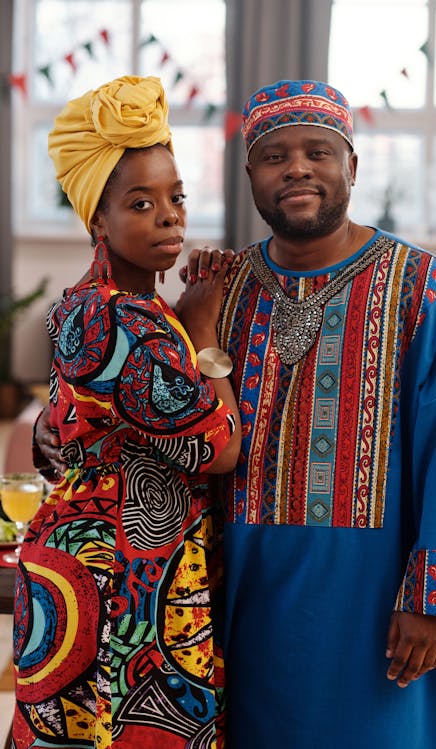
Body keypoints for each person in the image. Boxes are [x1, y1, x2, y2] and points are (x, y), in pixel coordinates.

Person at [36, 79, 436, 748]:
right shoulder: (220, 289)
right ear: (250, 175)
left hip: (372, 602)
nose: (297, 168)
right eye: (275, 156)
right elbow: (148, 407)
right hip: (234, 598)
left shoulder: (421, 286)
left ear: (352, 168)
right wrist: (62, 427)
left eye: (318, 152)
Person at [13, 75, 240, 749]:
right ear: (97, 220)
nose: (169, 215)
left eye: (177, 197)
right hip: (123, 579)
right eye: (141, 203)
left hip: (104, 562)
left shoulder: (109, 304)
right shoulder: (120, 320)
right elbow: (219, 445)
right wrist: (205, 335)